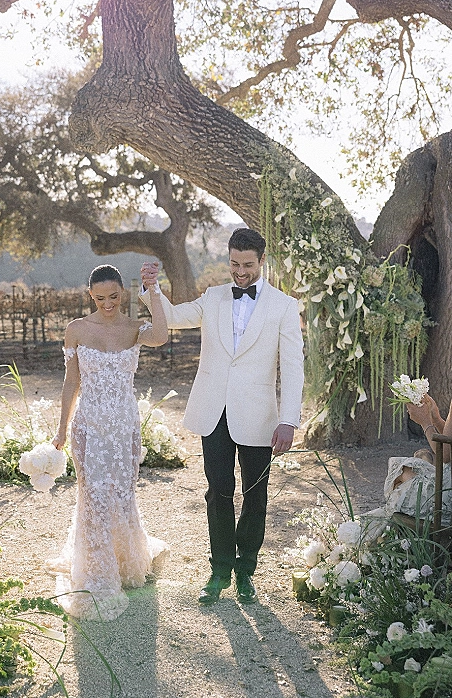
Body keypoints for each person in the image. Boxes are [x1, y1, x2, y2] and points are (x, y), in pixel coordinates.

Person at [141, 227, 304, 605]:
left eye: (247, 265)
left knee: (255, 495)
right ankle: (219, 570)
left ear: (262, 261)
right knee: (217, 491)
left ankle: (247, 570)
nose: (240, 272)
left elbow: (293, 368)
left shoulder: (283, 305)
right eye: (234, 264)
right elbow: (172, 316)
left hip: (260, 416)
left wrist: (289, 419)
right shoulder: (213, 297)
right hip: (213, 411)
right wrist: (152, 289)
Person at [48, 265, 169, 620]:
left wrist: (154, 288)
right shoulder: (77, 330)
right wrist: (61, 429)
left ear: (123, 294)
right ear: (91, 296)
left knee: (121, 493)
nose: (108, 304)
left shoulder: (134, 328)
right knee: (93, 495)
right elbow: (71, 383)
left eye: (114, 297)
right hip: (89, 426)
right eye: (100, 298)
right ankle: (95, 570)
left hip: (123, 428)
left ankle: (125, 561)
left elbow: (161, 334)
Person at [380, 394, 452, 521]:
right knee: (412, 462)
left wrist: (425, 422)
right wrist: (436, 419)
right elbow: (450, 440)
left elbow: (446, 455)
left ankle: (408, 532)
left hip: (446, 498)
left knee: (402, 471)